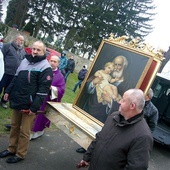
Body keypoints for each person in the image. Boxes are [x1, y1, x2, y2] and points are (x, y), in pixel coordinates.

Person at [0, 41, 53, 163]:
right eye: (33, 48)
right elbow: (16, 78)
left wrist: (34, 108)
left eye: (38, 50)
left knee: (24, 131)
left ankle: (20, 154)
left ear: (44, 52)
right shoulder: (25, 61)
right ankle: (11, 148)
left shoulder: (46, 67)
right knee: (14, 126)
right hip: (18, 100)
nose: (34, 51)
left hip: (30, 105)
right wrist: (7, 91)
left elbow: (42, 91)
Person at [77, 89, 153, 170]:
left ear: (132, 106)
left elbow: (136, 167)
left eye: (123, 100)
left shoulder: (143, 136)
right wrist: (87, 158)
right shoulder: (114, 116)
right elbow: (99, 138)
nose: (119, 102)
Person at [30, 55, 66, 139]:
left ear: (58, 64)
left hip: (46, 100)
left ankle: (36, 133)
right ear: (48, 61)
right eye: (51, 61)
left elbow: (61, 90)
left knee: (39, 117)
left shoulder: (60, 76)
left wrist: (52, 88)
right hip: (35, 96)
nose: (52, 63)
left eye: (55, 62)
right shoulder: (43, 69)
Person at [0, 34, 25, 109]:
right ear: (15, 39)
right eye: (20, 40)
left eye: (22, 40)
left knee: (8, 89)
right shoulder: (7, 46)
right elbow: (1, 56)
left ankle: (3, 102)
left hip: (14, 74)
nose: (21, 42)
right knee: (0, 86)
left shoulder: (22, 51)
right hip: (4, 72)